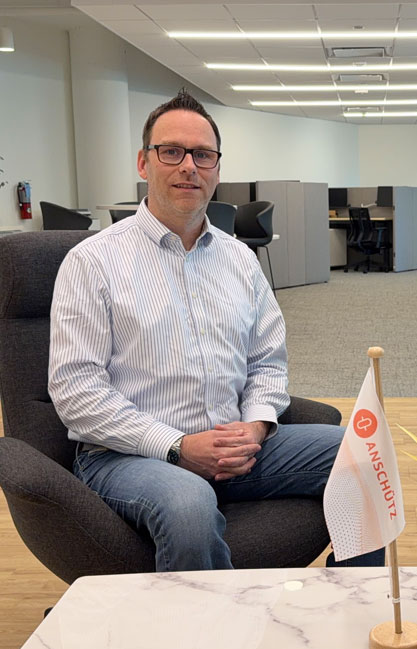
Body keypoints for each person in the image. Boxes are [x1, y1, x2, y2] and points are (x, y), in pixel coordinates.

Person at [48, 90, 383, 571]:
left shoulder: (240, 260)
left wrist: (256, 425)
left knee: (364, 456)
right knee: (188, 505)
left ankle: (353, 601)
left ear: (217, 169)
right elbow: (76, 390)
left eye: (203, 155)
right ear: (144, 163)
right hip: (128, 456)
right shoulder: (92, 262)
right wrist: (177, 446)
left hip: (237, 447)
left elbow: (267, 362)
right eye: (172, 152)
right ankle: (211, 623)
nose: (189, 166)